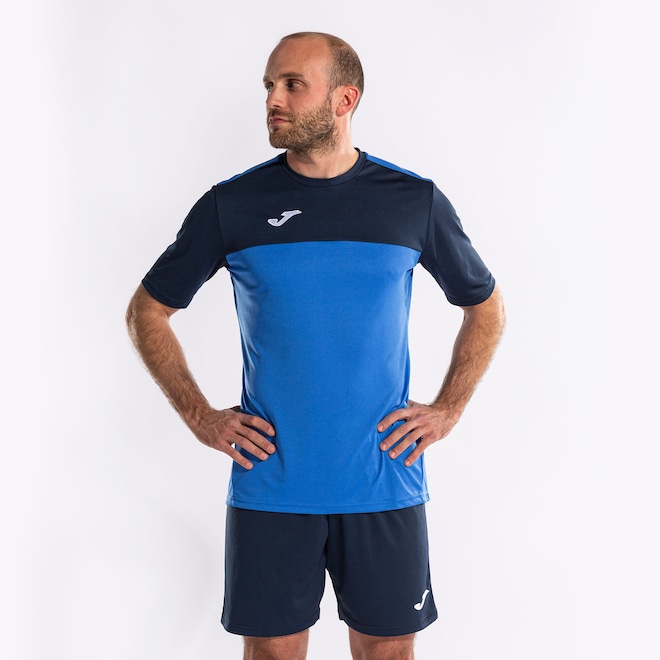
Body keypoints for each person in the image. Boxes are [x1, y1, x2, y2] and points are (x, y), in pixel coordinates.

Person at [126, 31, 505, 660]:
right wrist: (199, 415)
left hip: (383, 481)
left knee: (387, 653)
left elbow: (484, 306)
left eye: (292, 85)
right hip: (272, 483)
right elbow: (148, 310)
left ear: (344, 99)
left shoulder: (413, 202)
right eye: (269, 86)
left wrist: (449, 408)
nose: (272, 99)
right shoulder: (232, 205)